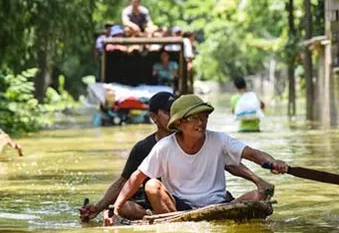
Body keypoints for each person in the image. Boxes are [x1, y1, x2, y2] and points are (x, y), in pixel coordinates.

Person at [105, 94, 287, 226]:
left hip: (219, 203)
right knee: (151, 185)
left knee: (258, 195)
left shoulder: (219, 140)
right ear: (179, 124)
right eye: (194, 118)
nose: (201, 123)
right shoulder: (164, 147)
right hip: (180, 206)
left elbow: (253, 154)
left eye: (204, 117)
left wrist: (273, 162)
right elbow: (136, 178)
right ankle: (177, 222)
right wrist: (116, 209)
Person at [80, 92, 176, 221]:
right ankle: (154, 215)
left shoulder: (189, 139)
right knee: (123, 206)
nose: (174, 117)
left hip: (180, 197)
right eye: (168, 112)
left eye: (176, 112)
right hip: (156, 198)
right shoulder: (143, 148)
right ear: (154, 117)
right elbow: (123, 183)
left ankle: (162, 216)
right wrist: (97, 208)